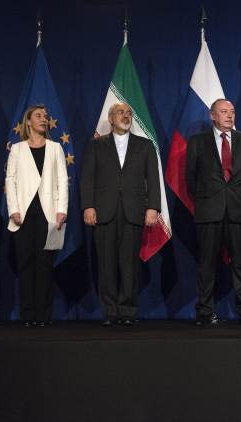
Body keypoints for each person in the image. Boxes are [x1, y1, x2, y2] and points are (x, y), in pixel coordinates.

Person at [80, 102, 160, 326]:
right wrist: (88, 206)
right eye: (121, 113)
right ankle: (110, 311)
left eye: (129, 113)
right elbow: (87, 178)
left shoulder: (145, 146)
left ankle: (127, 310)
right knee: (106, 264)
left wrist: (153, 207)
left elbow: (153, 179)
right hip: (104, 211)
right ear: (111, 118)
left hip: (134, 211)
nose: (126, 116)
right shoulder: (96, 145)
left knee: (129, 264)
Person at [185, 98, 241, 325]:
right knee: (206, 265)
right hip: (208, 211)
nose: (229, 115)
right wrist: (207, 200)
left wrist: (238, 198)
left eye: (232, 112)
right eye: (224, 111)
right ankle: (205, 313)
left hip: (237, 211)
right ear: (212, 115)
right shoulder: (197, 141)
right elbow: (191, 178)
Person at [5, 104, 68, 327]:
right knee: (25, 264)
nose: (43, 119)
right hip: (23, 215)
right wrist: (13, 209)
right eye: (38, 116)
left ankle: (44, 315)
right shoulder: (18, 149)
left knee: (45, 265)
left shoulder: (55, 148)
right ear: (28, 121)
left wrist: (62, 209)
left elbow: (62, 180)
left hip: (48, 214)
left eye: (45, 116)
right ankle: (28, 315)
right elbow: (10, 180)